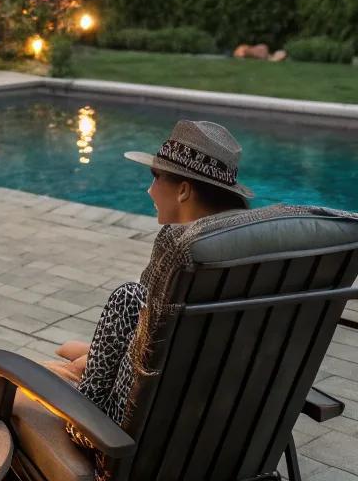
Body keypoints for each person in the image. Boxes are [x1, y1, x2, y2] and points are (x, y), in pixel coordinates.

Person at [50, 120, 251, 430]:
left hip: (125, 435)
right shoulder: (255, 253)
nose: (149, 189)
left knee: (130, 297)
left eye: (155, 177)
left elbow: (151, 337)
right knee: (147, 309)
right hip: (214, 427)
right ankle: (95, 358)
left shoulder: (180, 248)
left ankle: (92, 369)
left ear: (184, 190)